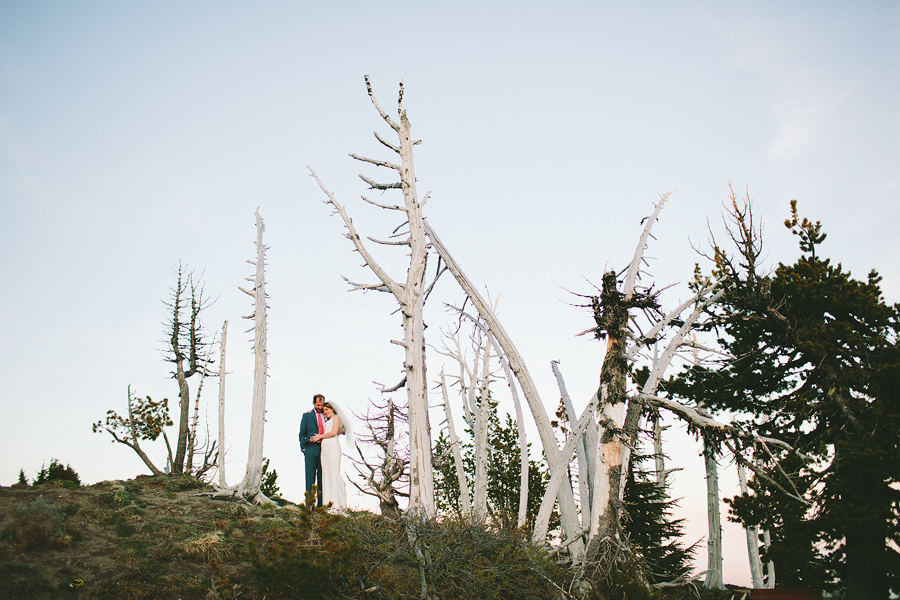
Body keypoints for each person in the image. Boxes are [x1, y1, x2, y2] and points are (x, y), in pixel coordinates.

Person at [310, 401, 348, 509]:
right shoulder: (327, 420)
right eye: (324, 411)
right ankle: (328, 504)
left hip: (332, 448)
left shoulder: (336, 418)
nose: (325, 412)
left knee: (333, 473)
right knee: (326, 475)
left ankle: (338, 504)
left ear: (332, 409)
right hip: (324, 450)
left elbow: (333, 432)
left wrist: (319, 437)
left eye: (327, 410)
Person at [298, 394, 326, 506]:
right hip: (311, 449)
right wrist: (304, 448)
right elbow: (302, 433)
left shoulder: (327, 414)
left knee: (322, 478)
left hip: (324, 449)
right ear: (313, 403)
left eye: (321, 405)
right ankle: (309, 506)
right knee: (310, 478)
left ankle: (320, 506)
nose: (320, 407)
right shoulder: (307, 416)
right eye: (318, 405)